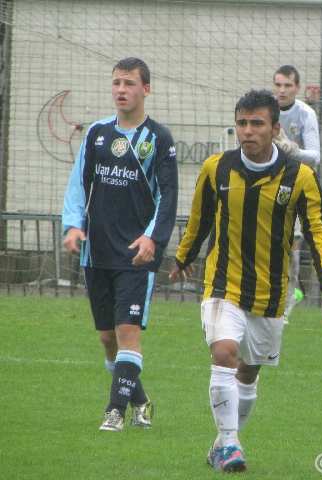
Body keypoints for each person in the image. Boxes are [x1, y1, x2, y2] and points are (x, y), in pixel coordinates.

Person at [169, 89, 322, 473]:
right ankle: (232, 446)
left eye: (256, 124)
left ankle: (222, 441)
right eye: (241, 123)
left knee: (248, 375)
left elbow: (317, 232)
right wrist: (184, 256)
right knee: (223, 354)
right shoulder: (215, 168)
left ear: (275, 128)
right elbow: (199, 219)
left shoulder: (299, 176)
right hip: (223, 284)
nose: (247, 131)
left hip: (270, 296)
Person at [62, 57, 178, 432]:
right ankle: (141, 401)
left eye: (129, 83)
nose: (121, 90)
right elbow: (79, 185)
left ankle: (114, 411)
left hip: (136, 254)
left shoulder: (159, 140)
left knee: (128, 331)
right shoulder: (97, 133)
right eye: (116, 83)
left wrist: (153, 238)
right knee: (107, 337)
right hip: (96, 252)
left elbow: (169, 196)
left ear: (145, 89)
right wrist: (72, 226)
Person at [272, 65, 321, 322]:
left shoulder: (305, 114)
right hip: (265, 184)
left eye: (287, 85)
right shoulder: (265, 109)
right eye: (278, 85)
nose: (282, 90)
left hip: (294, 188)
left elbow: (315, 157)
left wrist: (291, 150)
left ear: (297, 88)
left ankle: (287, 303)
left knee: (290, 246)